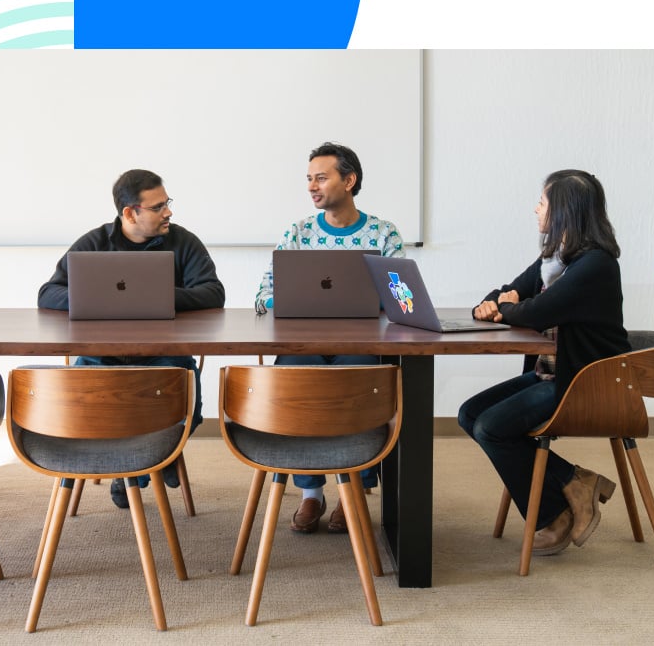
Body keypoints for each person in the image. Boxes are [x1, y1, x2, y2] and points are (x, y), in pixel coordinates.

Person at [458, 169, 629, 556]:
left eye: (542, 202)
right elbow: (505, 294)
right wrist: (501, 302)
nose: (535, 209)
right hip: (552, 374)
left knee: (492, 427)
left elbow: (534, 311)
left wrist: (509, 305)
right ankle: (576, 480)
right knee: (470, 414)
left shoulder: (595, 266)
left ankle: (553, 514)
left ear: (564, 211)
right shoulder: (554, 259)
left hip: (585, 383)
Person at [38, 168, 225, 508]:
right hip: (102, 356)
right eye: (158, 207)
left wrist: (154, 296)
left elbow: (213, 292)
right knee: (90, 409)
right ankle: (146, 466)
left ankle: (148, 464)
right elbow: (48, 293)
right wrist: (97, 298)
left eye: (167, 203)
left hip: (163, 355)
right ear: (129, 213)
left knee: (187, 407)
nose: (168, 211)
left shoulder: (183, 241)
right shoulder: (95, 243)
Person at [255, 142, 405, 534]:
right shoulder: (299, 233)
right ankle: (311, 493)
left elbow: (403, 300)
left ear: (349, 180)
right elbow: (262, 296)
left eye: (321, 177)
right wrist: (290, 297)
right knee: (298, 381)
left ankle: (352, 490)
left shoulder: (383, 234)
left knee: (360, 383)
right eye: (309, 179)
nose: (311, 186)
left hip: (361, 348)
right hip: (305, 346)